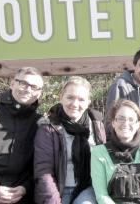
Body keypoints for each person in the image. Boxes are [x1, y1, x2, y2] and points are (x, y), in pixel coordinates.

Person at [34, 76, 106, 204]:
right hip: (57, 190)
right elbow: (44, 171)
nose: (75, 104)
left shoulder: (97, 123)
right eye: (70, 97)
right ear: (61, 97)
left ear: (89, 101)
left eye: (81, 99)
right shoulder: (48, 127)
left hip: (89, 188)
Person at [0, 67, 44, 203]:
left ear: (39, 93)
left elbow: (42, 164)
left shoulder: (41, 123)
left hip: (23, 196)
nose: (28, 89)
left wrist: (25, 187)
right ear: (12, 83)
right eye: (23, 83)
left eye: (34, 87)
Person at [91, 99, 140, 203]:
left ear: (138, 124)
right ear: (113, 122)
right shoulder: (99, 152)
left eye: (131, 119)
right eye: (121, 119)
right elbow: (102, 195)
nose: (126, 123)